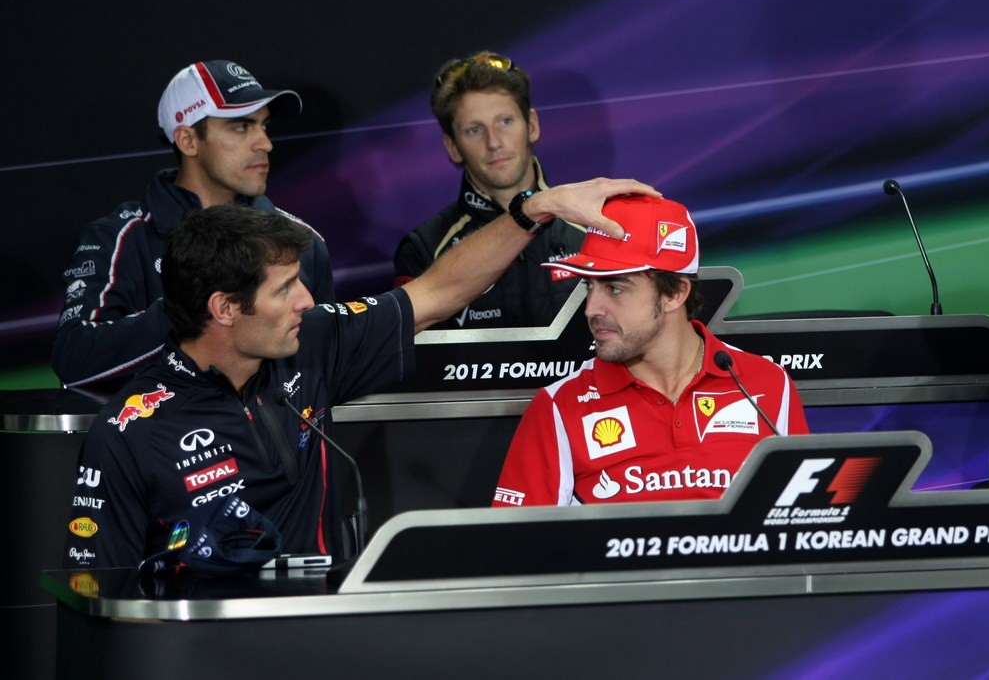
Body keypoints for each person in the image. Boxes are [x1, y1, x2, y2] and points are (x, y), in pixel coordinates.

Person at [64, 176, 656, 568]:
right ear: (223, 308)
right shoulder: (130, 431)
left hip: (324, 637)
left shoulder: (313, 343)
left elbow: (439, 291)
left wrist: (535, 209)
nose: (306, 301)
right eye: (284, 289)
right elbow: (99, 596)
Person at [492, 194, 809, 507]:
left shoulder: (767, 384)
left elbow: (804, 520)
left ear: (675, 294)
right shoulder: (559, 406)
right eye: (590, 286)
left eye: (615, 288)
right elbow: (516, 548)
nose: (592, 309)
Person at [52, 60, 335, 391]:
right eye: (241, 127)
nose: (265, 144)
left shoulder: (302, 240)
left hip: (274, 440)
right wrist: (192, 305)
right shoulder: (119, 238)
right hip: (164, 439)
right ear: (187, 140)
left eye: (265, 126)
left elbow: (324, 365)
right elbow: (74, 360)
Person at [393, 51, 584, 329]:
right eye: (474, 130)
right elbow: (416, 362)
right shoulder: (425, 248)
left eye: (505, 121)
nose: (494, 142)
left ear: (531, 126)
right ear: (453, 147)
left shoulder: (592, 226)